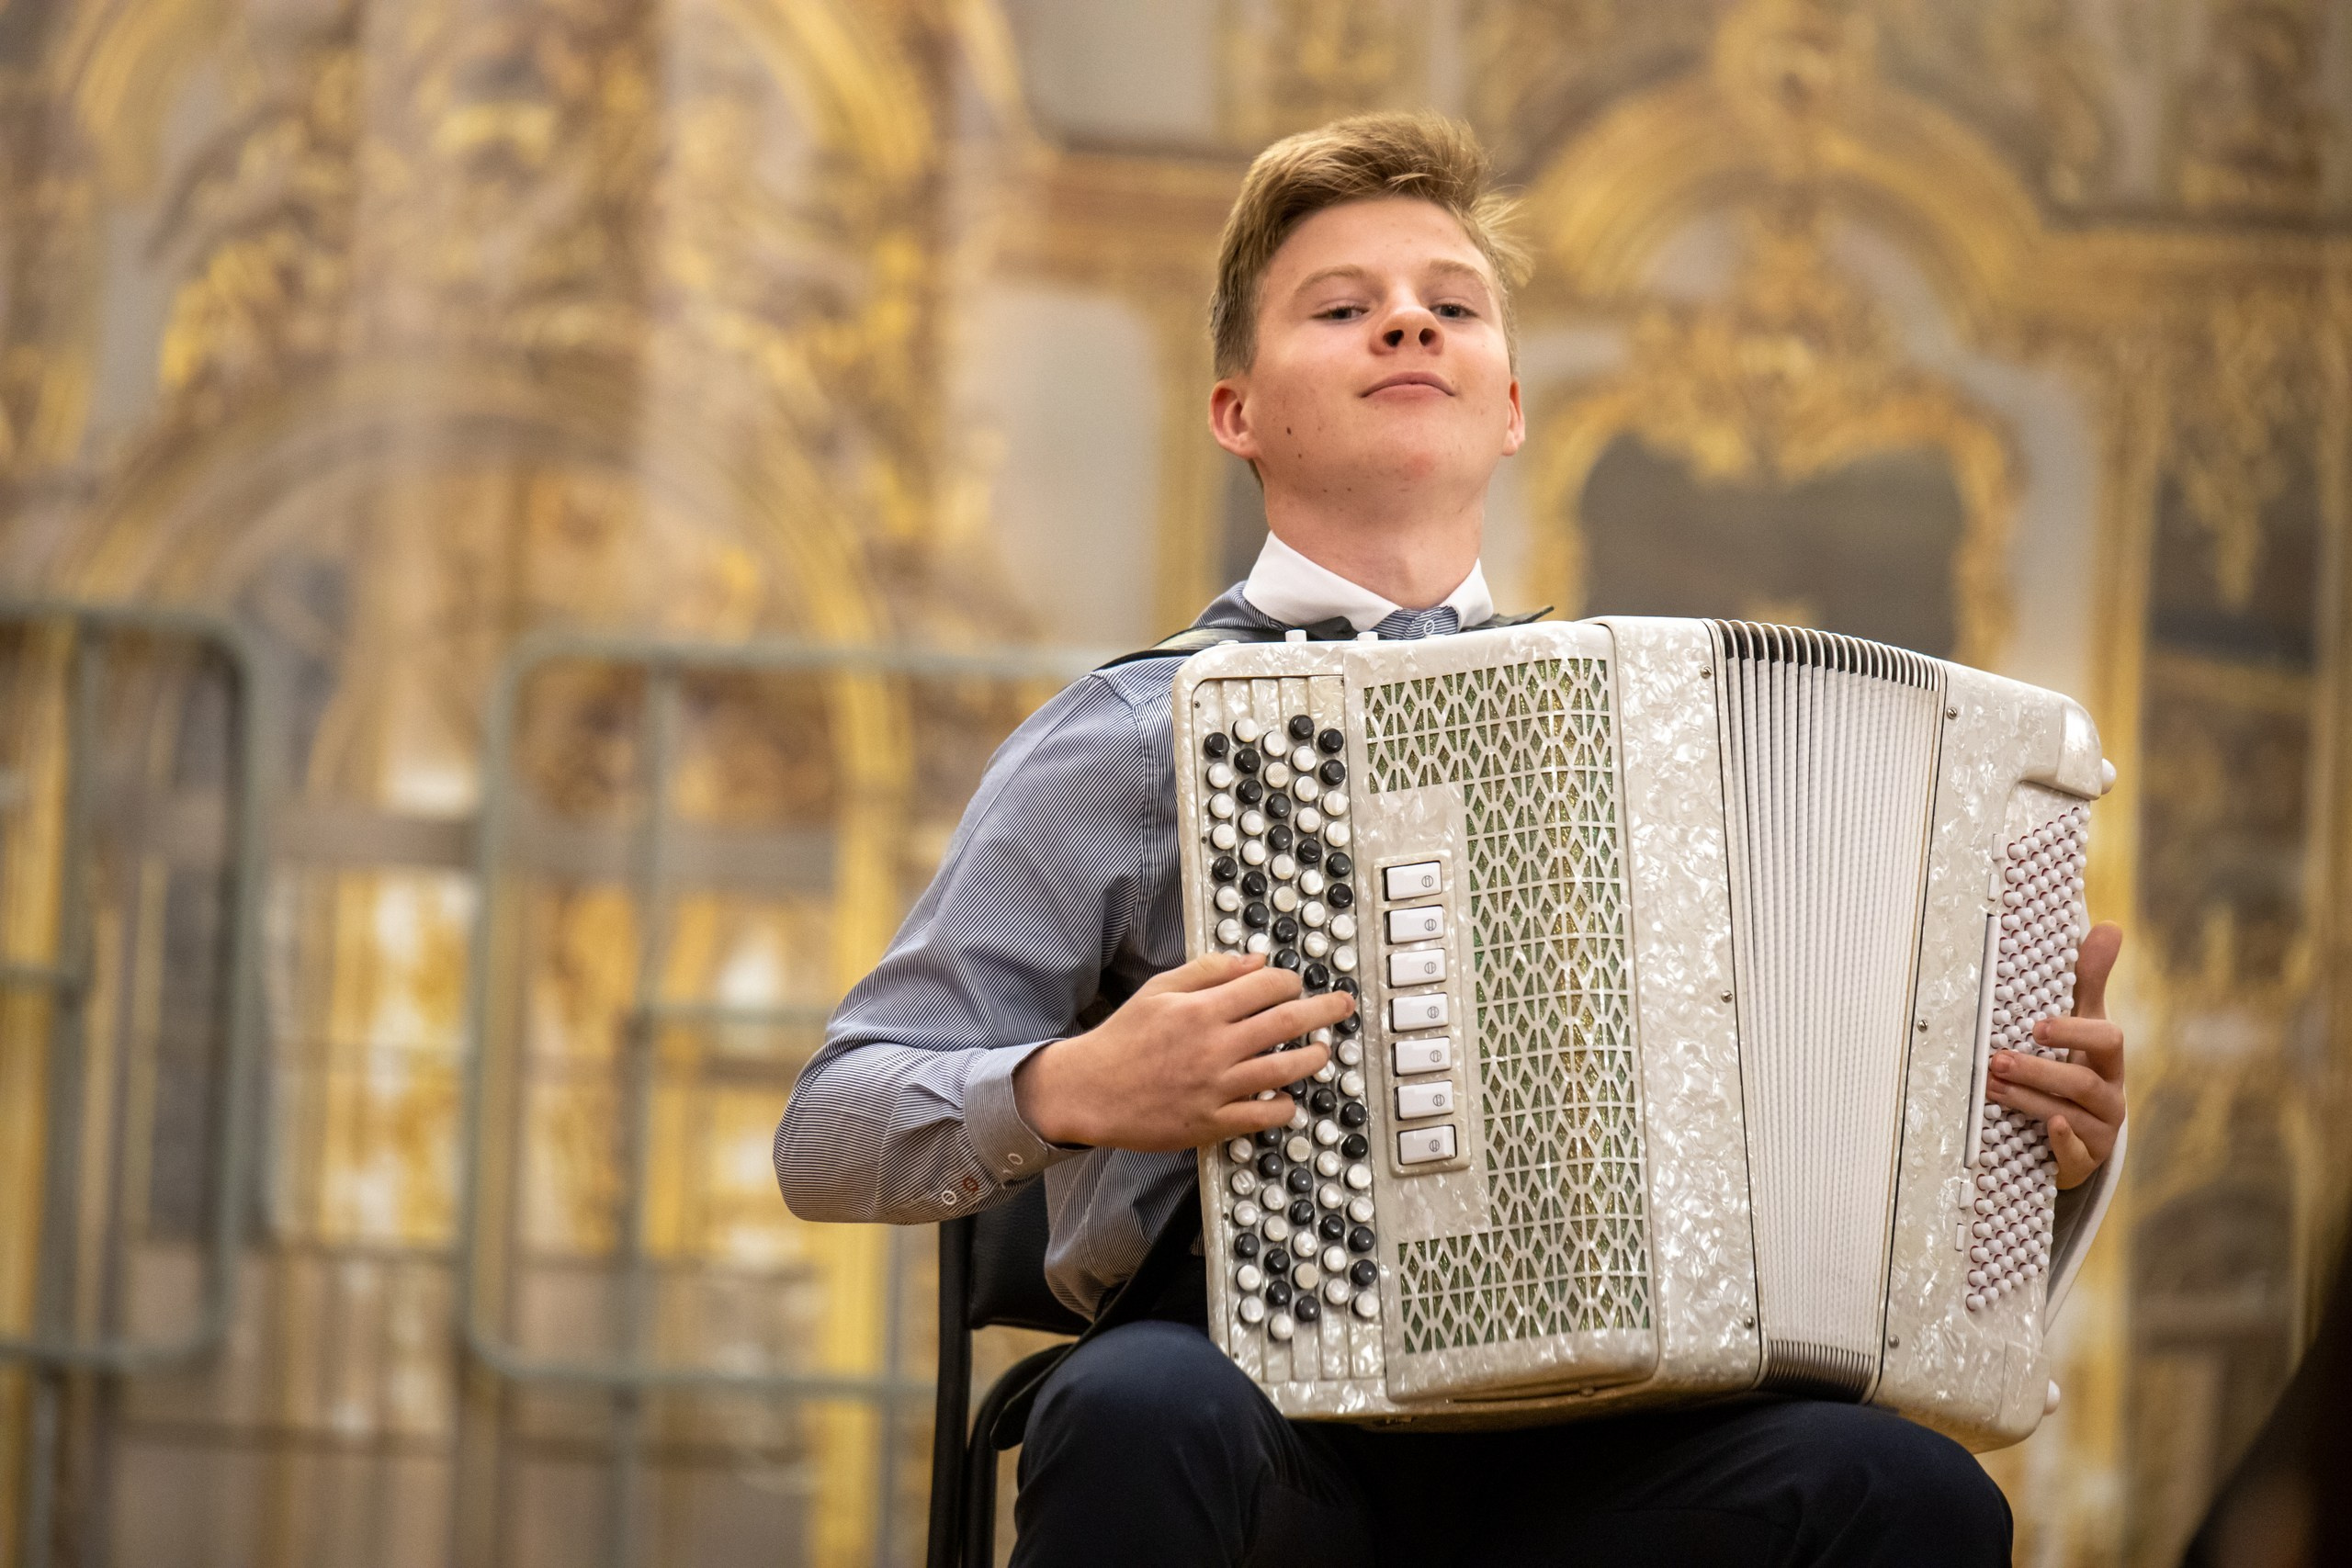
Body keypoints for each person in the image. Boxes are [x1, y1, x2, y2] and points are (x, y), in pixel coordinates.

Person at [776, 111, 2131, 1567]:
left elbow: (1826, 1169)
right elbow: (829, 1134)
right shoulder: (1125, 730)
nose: (1407, 323)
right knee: (1137, 1412)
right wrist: (1076, 1084)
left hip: (1609, 1444)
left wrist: (2031, 1152)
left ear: (1508, 403)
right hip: (1251, 1409)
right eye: (1342, 308)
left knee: (1908, 1497)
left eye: (1450, 305)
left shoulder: (1669, 736)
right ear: (1236, 410)